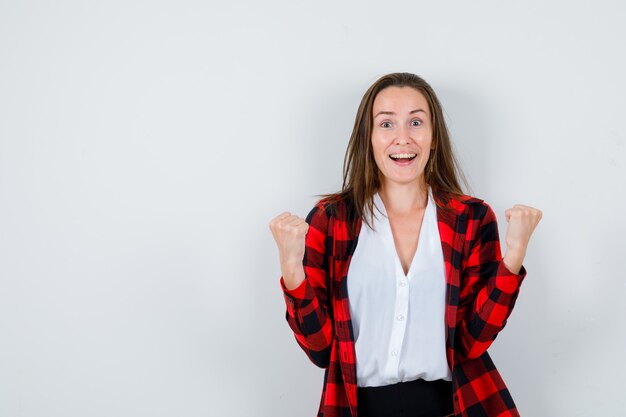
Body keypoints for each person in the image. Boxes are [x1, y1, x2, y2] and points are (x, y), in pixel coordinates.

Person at [269, 72, 542, 417]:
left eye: (416, 122)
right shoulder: (331, 220)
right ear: (368, 137)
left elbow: (472, 342)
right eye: (386, 124)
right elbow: (321, 352)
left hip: (452, 406)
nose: (402, 138)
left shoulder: (470, 218)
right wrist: (292, 271)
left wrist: (513, 259)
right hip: (358, 407)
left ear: (433, 138)